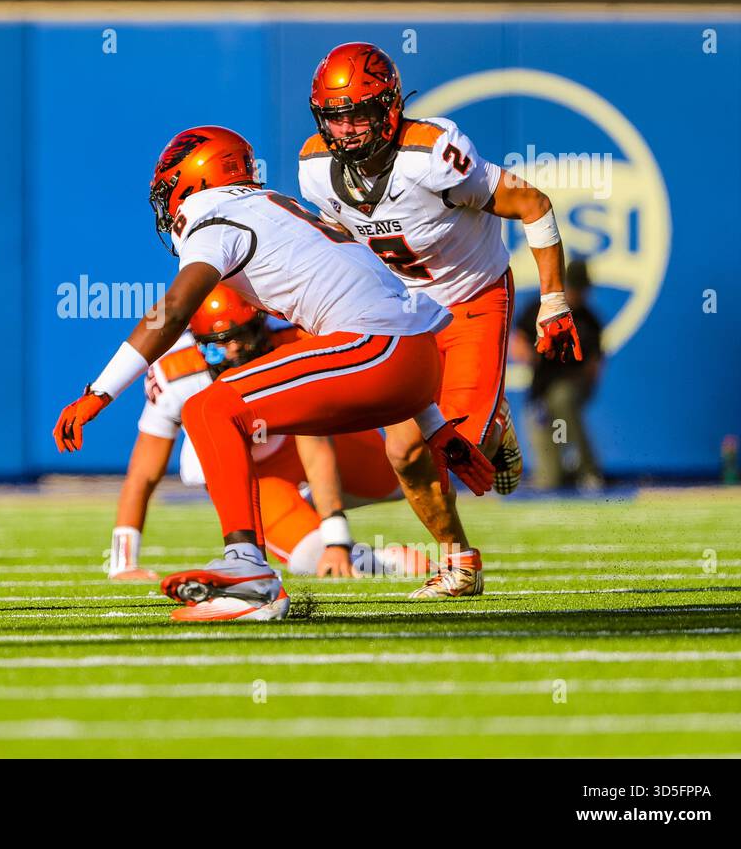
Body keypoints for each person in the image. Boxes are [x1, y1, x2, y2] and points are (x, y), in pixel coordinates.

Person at [54, 125, 493, 622]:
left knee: (210, 406)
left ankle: (249, 573)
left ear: (193, 181)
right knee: (221, 408)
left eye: (169, 189)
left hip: (381, 350)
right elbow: (372, 299)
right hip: (409, 359)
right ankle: (457, 560)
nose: (166, 206)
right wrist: (435, 423)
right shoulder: (272, 207)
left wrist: (99, 391)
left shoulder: (215, 215)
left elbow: (172, 311)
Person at [298, 42, 584, 592]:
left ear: (390, 106)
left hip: (472, 298)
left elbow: (533, 204)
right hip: (402, 314)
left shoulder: (432, 154)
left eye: (361, 112)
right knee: (402, 451)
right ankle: (458, 561)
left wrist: (553, 302)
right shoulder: (314, 169)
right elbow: (339, 248)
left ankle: (493, 426)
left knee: (456, 446)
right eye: (337, 116)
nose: (350, 129)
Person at [109, 284, 424, 583]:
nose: (233, 351)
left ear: (260, 325)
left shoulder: (290, 338)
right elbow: (144, 472)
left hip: (304, 443)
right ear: (199, 341)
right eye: (220, 342)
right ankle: (386, 559)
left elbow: (313, 440)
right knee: (313, 559)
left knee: (406, 477)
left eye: (241, 337)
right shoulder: (177, 371)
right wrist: (124, 562)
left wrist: (337, 536)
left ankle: (314, 503)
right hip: (253, 476)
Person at [512, 260, 605, 490]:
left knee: (561, 398)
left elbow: (594, 366)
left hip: (571, 386)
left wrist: (581, 386)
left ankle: (588, 470)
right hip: (540, 392)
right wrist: (527, 353)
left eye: (580, 289)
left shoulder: (589, 321)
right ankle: (566, 471)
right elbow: (519, 339)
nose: (577, 294)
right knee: (548, 479)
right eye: (573, 288)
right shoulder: (540, 309)